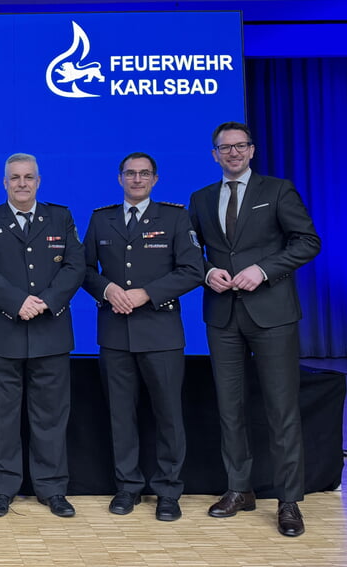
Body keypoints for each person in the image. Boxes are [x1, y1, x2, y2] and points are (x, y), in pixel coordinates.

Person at [188, 122, 320, 537]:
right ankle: (238, 489)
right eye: (225, 148)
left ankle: (289, 502)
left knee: (281, 411)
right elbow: (190, 251)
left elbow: (307, 241)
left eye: (240, 146)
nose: (233, 153)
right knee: (230, 409)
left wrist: (263, 270)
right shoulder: (201, 198)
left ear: (252, 150)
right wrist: (207, 272)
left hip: (273, 315)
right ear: (214, 155)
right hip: (222, 316)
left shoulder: (277, 191)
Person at [82, 152, 204, 522]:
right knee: (121, 416)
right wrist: (107, 290)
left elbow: (192, 269)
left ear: (155, 179)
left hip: (161, 332)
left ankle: (168, 491)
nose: (137, 179)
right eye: (130, 173)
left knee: (168, 415)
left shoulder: (174, 217)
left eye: (144, 173)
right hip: (115, 334)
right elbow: (84, 269)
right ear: (119, 178)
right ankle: (128, 487)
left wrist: (147, 293)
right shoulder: (101, 219)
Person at [0, 153, 84, 518]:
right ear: (4, 183)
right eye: (14, 177)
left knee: (50, 415)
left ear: (38, 181)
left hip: (51, 332)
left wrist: (45, 302)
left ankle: (52, 489)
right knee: (2, 416)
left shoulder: (60, 217)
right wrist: (18, 302)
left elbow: (74, 265)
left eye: (28, 177)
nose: (21, 183)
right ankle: (2, 489)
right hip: (5, 331)